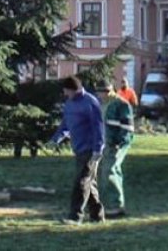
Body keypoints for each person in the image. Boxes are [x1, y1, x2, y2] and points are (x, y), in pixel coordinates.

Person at [48, 76, 106, 225]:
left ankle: (75, 217)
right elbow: (65, 125)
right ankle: (97, 216)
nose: (65, 94)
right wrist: (55, 139)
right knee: (89, 182)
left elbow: (98, 127)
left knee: (81, 182)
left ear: (74, 89)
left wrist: (98, 149)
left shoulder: (90, 102)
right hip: (78, 148)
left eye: (67, 91)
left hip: (91, 149)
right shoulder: (69, 104)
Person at [99, 82, 135, 218]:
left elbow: (128, 128)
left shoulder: (121, 104)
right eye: (101, 92)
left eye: (106, 92)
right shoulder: (103, 104)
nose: (103, 95)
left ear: (112, 91)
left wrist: (119, 142)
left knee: (110, 170)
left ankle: (114, 206)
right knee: (110, 170)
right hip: (107, 142)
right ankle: (114, 204)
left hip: (117, 143)